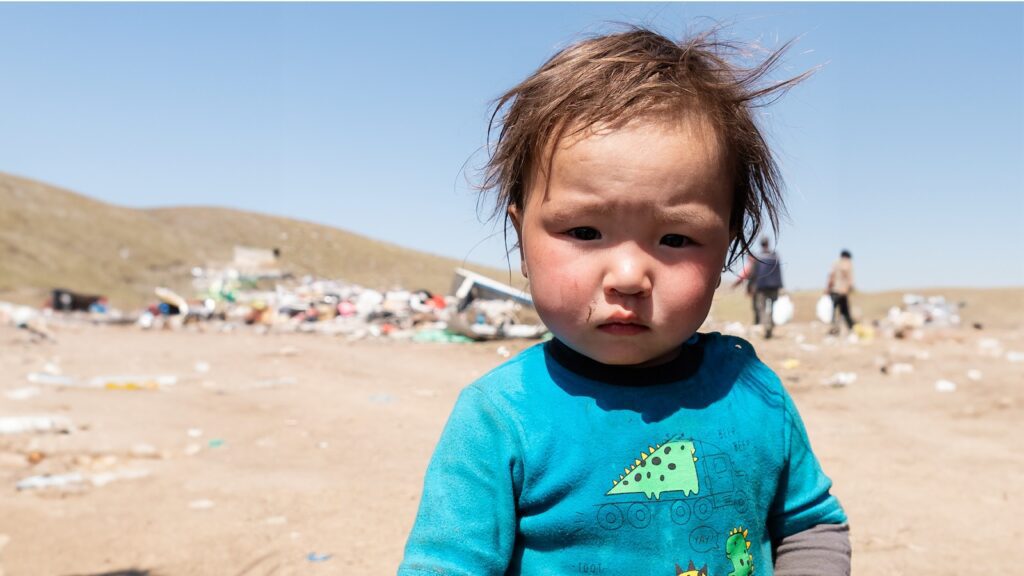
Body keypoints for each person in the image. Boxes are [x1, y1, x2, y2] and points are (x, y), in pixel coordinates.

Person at [399, 26, 849, 576]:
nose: (631, 276)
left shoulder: (753, 393)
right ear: (522, 235)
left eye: (676, 239)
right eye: (585, 232)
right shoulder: (501, 417)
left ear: (728, 245)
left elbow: (810, 525)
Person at [732, 237, 784, 338]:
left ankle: (767, 326)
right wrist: (780, 285)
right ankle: (770, 324)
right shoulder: (775, 256)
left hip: (761, 287)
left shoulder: (758, 257)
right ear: (768, 243)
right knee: (772, 307)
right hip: (774, 286)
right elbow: (779, 273)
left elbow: (753, 273)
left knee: (762, 308)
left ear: (761, 244)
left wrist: (751, 286)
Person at [827, 250, 856, 335]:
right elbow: (850, 280)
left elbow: (831, 276)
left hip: (835, 291)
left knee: (834, 311)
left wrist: (828, 288)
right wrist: (849, 289)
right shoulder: (848, 264)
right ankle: (850, 329)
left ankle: (835, 329)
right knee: (845, 311)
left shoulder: (835, 263)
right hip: (843, 292)